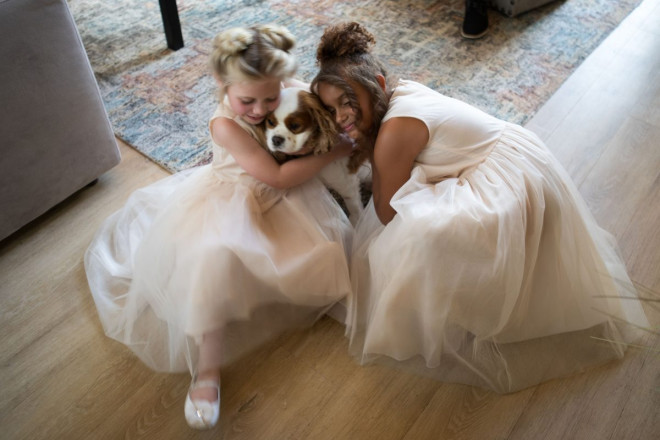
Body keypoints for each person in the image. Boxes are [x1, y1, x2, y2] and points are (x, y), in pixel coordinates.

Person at [311, 22, 649, 394]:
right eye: (331, 109)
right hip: (519, 160)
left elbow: (388, 213)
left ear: (376, 82)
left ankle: (473, 303)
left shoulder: (394, 132)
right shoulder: (400, 90)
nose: (342, 116)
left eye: (347, 101)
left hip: (509, 186)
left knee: (411, 233)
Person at [84, 24, 354, 430]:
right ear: (221, 84)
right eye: (248, 100)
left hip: (285, 198)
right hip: (236, 197)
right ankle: (206, 371)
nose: (261, 111)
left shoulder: (278, 91)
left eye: (270, 97)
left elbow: (311, 102)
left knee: (320, 251)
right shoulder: (226, 125)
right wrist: (336, 148)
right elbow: (276, 178)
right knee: (212, 263)